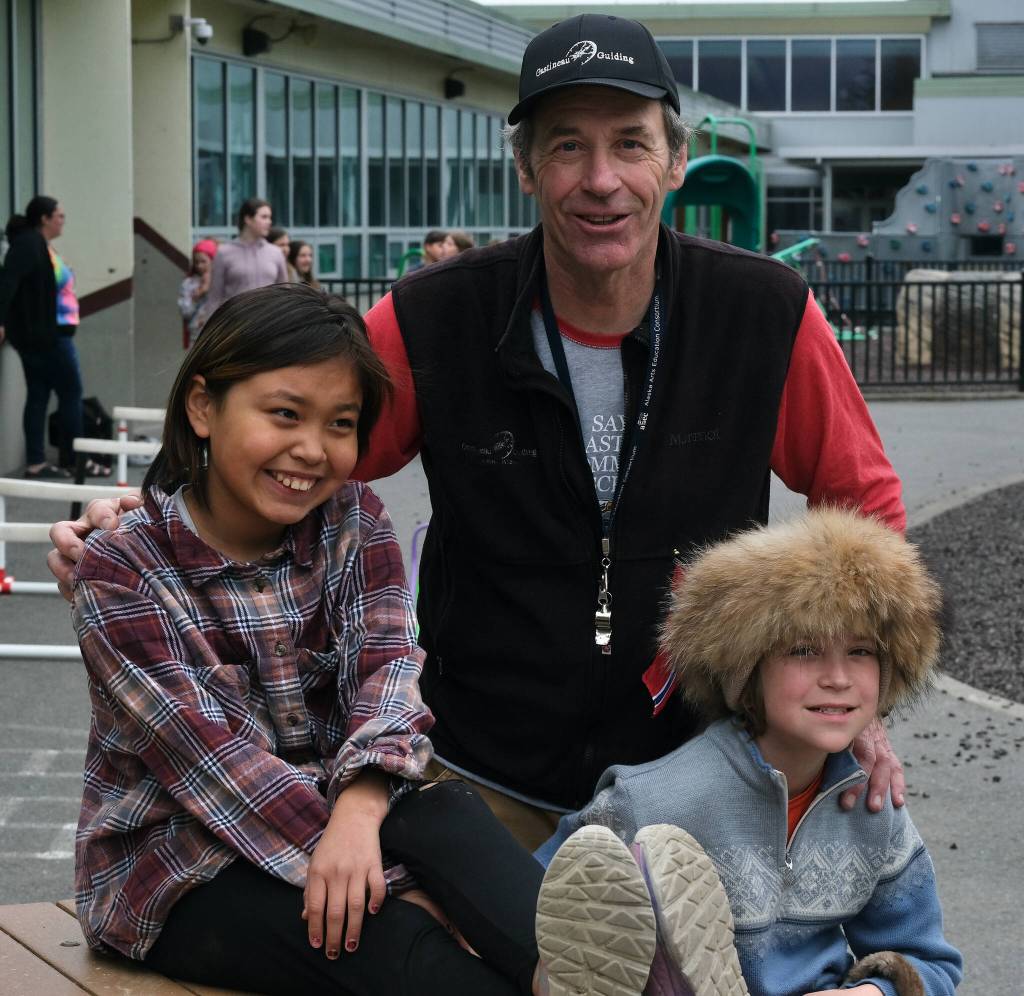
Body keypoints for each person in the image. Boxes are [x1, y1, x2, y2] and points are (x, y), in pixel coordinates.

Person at [49, 14, 907, 855]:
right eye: (567, 144)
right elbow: (293, 454)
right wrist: (149, 525)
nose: (601, 178)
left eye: (631, 144)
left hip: (701, 766)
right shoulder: (434, 317)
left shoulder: (762, 313)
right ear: (526, 168)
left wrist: (856, 689)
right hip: (478, 767)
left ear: (675, 161)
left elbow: (863, 501)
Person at [74, 281, 634, 996]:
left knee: (448, 814)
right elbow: (215, 769)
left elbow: (390, 673)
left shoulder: (353, 521)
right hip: (177, 869)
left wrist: (366, 803)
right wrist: (401, 884)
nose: (311, 451)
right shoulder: (122, 570)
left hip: (349, 814)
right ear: (204, 406)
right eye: (284, 414)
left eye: (341, 423)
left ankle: (580, 973)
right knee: (399, 944)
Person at [542, 509, 963, 996]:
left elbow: (931, 962)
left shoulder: (873, 809)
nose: (838, 677)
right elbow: (552, 908)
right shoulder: (657, 799)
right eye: (804, 650)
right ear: (747, 672)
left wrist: (874, 993)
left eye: (861, 652)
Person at [0, 195, 107, 479]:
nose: (63, 220)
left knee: (38, 395)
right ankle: (74, 460)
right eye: (59, 215)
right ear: (44, 219)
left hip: (44, 335)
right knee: (70, 393)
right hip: (49, 338)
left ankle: (38, 461)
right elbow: (8, 283)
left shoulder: (38, 245)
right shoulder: (28, 244)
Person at [199, 198, 288, 327]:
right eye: (264, 217)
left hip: (269, 327)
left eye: (270, 217)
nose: (269, 222)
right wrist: (209, 331)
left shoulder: (276, 253)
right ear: (248, 219)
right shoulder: (224, 252)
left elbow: (285, 293)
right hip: (235, 328)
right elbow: (214, 297)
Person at [177, 238, 218, 349]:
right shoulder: (189, 283)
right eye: (196, 262)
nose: (199, 266)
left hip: (217, 335)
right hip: (196, 336)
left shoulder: (221, 282)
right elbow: (185, 312)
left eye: (203, 261)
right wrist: (198, 295)